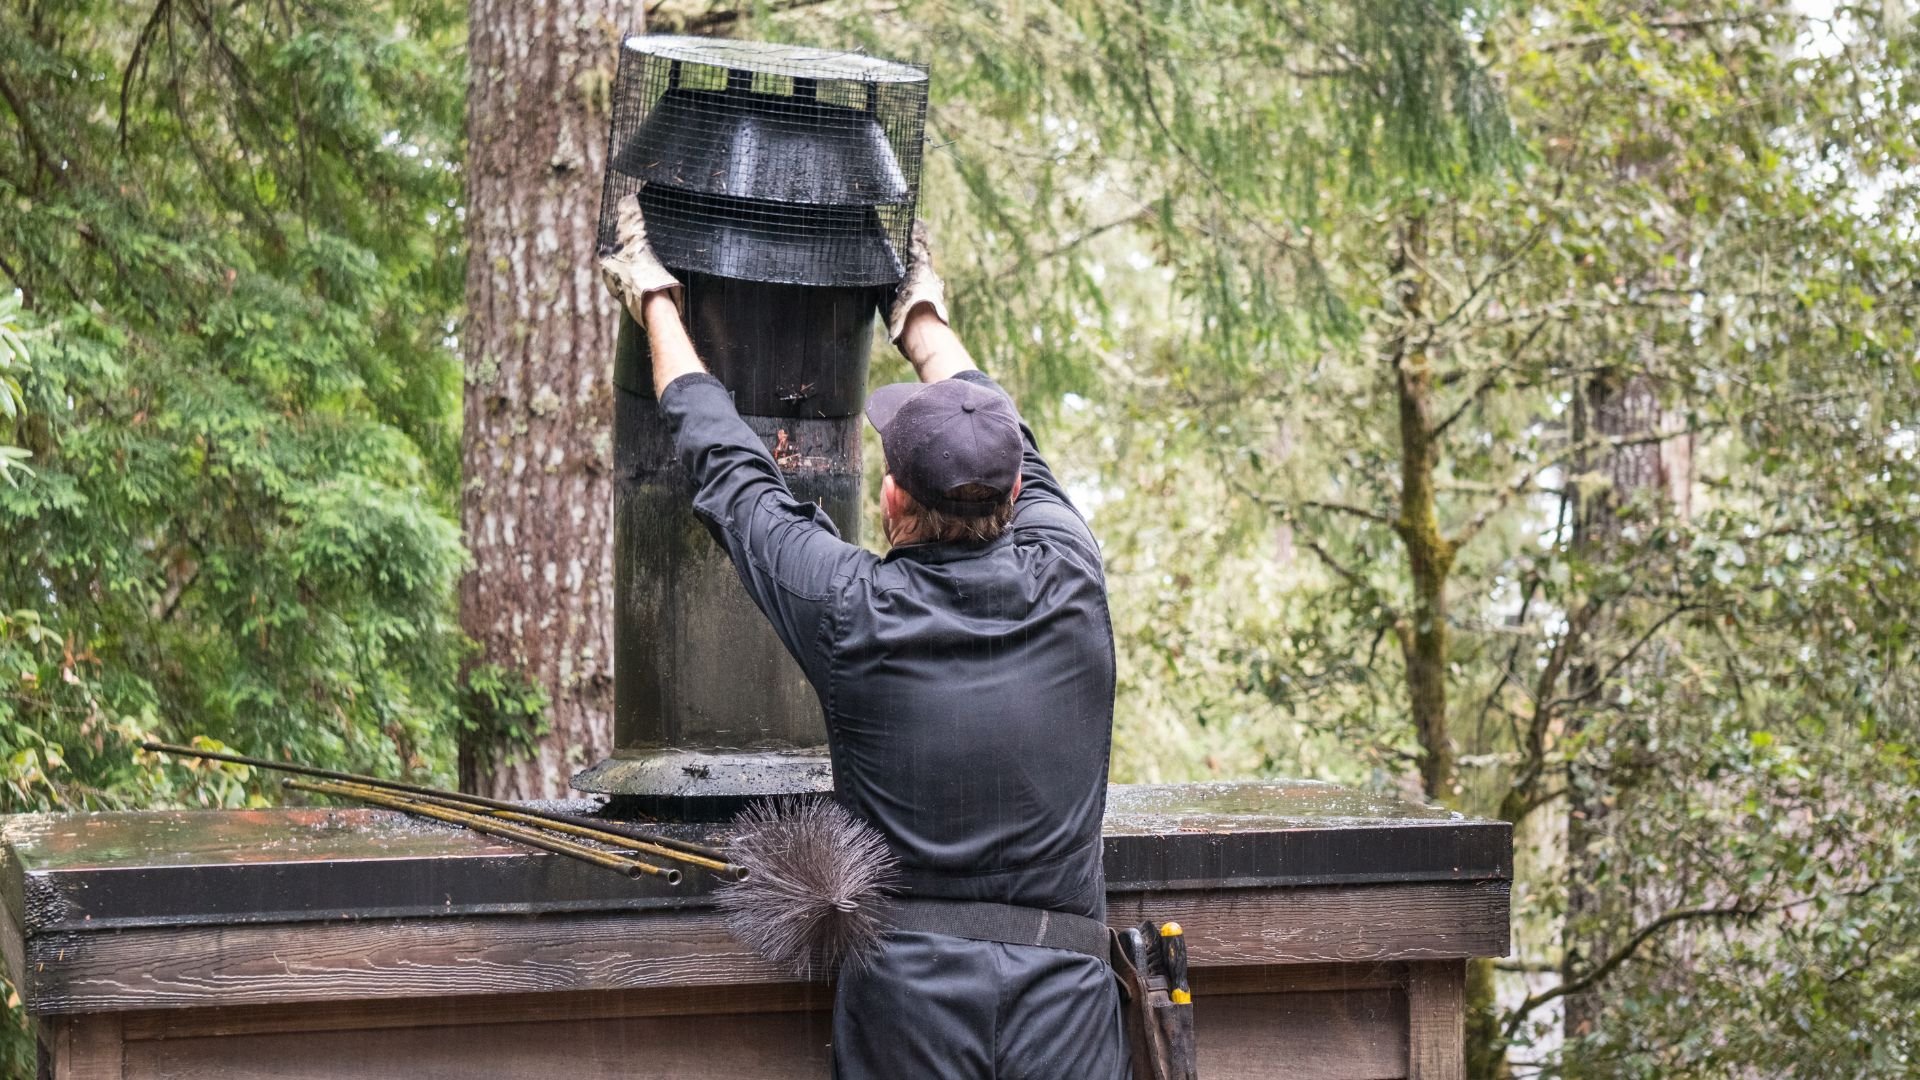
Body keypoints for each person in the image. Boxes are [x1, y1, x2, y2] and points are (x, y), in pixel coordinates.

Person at [600, 195, 1128, 1080]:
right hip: (1068, 1005)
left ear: (892, 502)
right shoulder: (1073, 575)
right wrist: (920, 315)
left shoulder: (854, 607)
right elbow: (1008, 434)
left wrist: (656, 299)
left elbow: (733, 474)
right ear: (1011, 498)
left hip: (910, 1007)